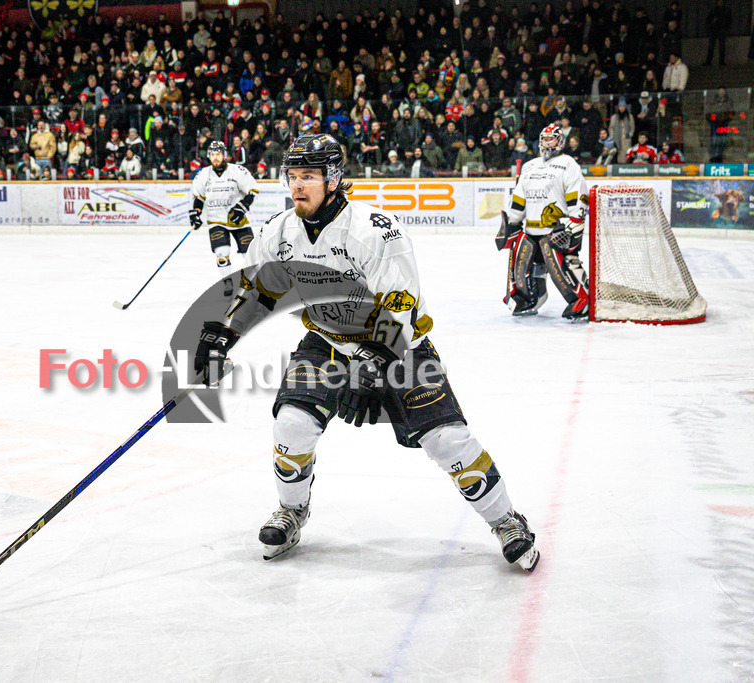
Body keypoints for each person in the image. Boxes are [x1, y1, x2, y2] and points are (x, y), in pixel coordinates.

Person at [192, 133, 539, 571]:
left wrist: (371, 365)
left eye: (309, 177)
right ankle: (292, 511)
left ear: (333, 178)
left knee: (447, 440)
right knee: (292, 423)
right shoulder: (279, 231)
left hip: (398, 348)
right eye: (292, 176)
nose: (297, 186)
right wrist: (222, 335)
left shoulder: (373, 230)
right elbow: (255, 288)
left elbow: (403, 308)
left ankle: (506, 520)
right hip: (329, 341)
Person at [496, 123, 589, 320]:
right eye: (544, 139)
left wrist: (575, 220)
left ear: (560, 141)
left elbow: (577, 196)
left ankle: (580, 300)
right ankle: (529, 297)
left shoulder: (568, 164)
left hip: (556, 230)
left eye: (551, 138)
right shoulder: (530, 165)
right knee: (520, 262)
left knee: (560, 267)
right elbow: (519, 197)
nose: (547, 143)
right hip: (531, 228)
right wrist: (512, 221)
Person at [190, 140, 260, 296]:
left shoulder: (237, 171)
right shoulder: (203, 174)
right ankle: (227, 280)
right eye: (213, 155)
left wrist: (241, 208)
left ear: (225, 155)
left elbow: (253, 190)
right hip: (216, 220)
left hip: (237, 220)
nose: (216, 158)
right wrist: (195, 213)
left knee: (249, 253)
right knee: (222, 251)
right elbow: (198, 197)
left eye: (219, 154)